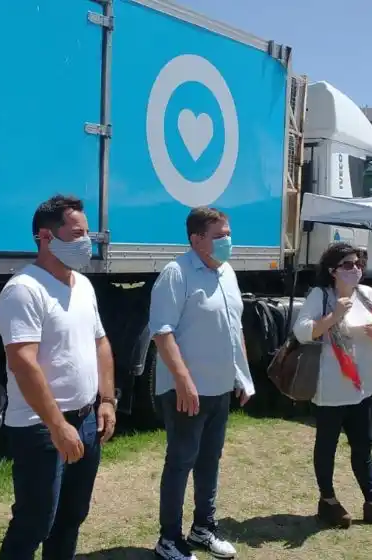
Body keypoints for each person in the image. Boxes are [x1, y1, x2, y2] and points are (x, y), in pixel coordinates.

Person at [0, 195, 116, 559]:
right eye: (78, 233)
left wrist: (106, 400)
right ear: (45, 237)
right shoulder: (24, 290)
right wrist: (57, 425)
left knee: (71, 518)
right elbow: (23, 363)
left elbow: (100, 343)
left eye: (87, 233)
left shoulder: (82, 285)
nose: (87, 241)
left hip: (85, 421)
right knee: (34, 522)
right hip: (40, 427)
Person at [148, 207, 255, 560]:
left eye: (228, 233)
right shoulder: (176, 274)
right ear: (196, 239)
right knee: (181, 462)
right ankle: (169, 539)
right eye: (220, 235)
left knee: (210, 460)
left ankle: (203, 528)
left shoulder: (227, 273)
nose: (228, 240)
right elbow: (162, 333)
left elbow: (234, 328)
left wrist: (242, 376)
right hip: (186, 394)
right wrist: (184, 382)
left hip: (219, 389)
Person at [294, 242, 372, 531]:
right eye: (347, 264)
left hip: (363, 384)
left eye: (358, 263)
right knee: (327, 445)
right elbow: (302, 332)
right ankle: (328, 501)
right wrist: (333, 317)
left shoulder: (368, 294)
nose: (355, 269)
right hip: (331, 385)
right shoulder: (321, 296)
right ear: (332, 271)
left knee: (363, 445)